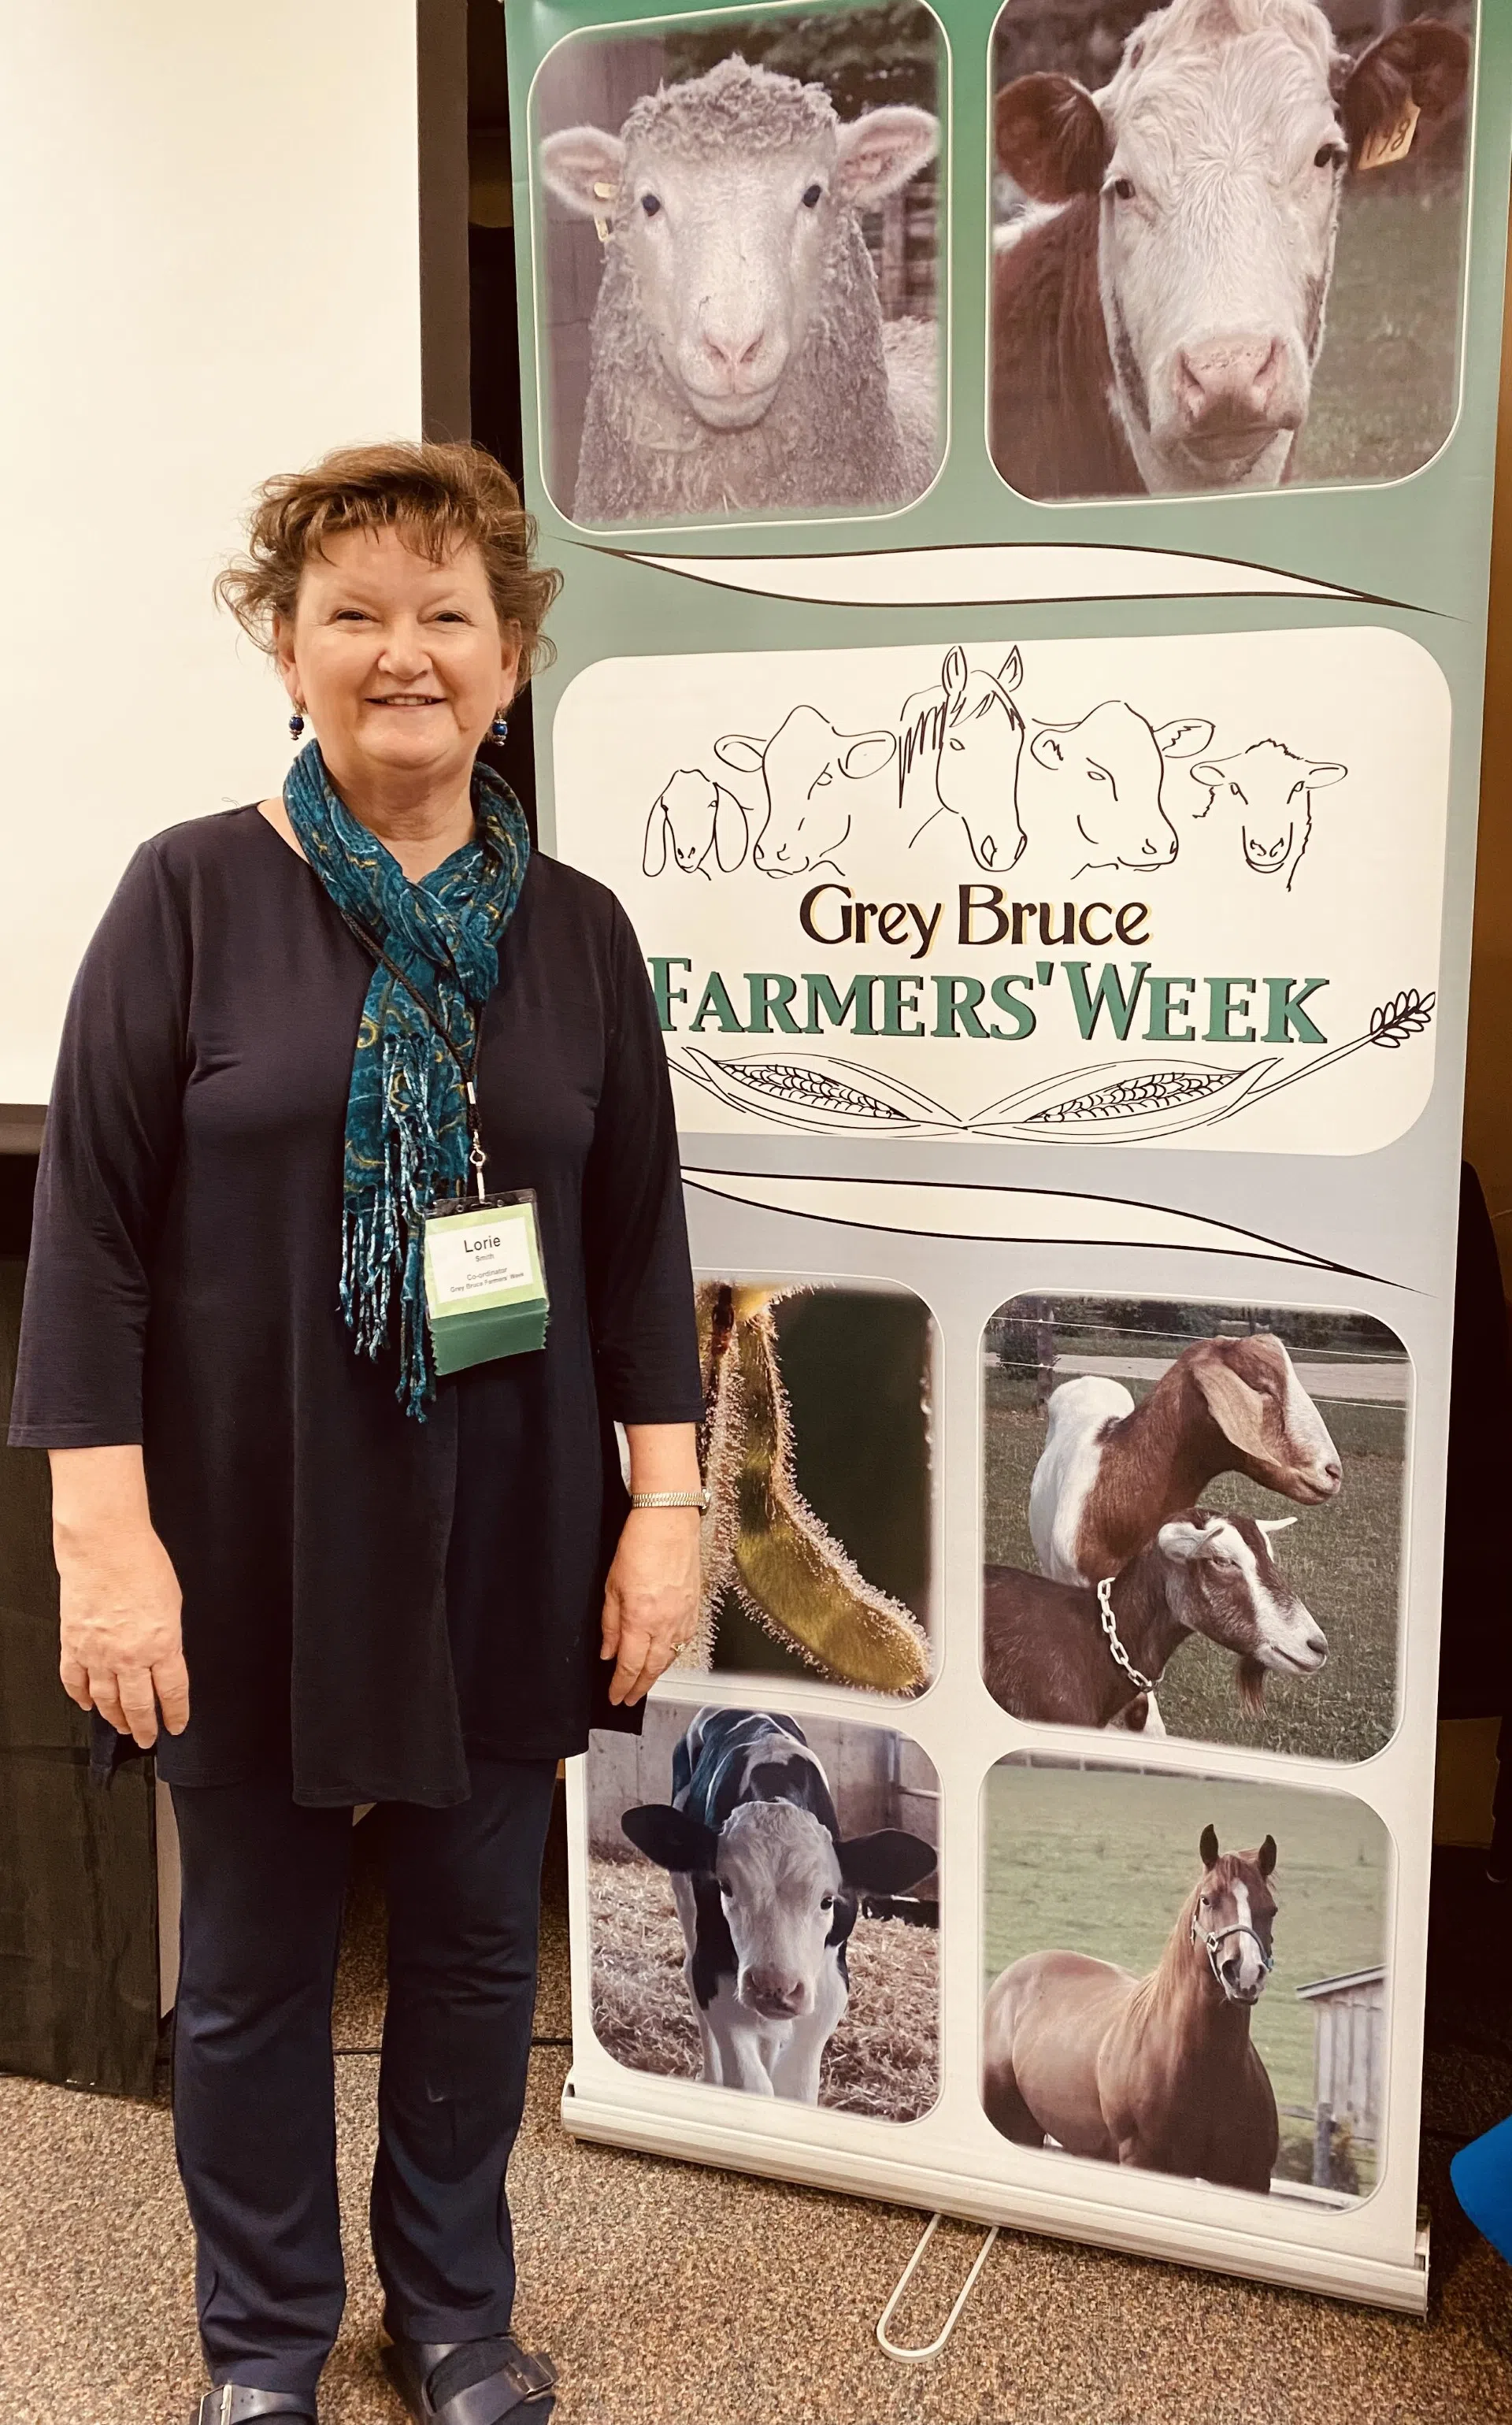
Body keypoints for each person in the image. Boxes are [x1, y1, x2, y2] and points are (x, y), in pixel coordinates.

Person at [8, 441, 706, 2425]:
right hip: (242, 1536)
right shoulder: (189, 895)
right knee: (247, 1974)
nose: (405, 654)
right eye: (354, 615)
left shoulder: (576, 933)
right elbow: (90, 1248)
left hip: (511, 1528)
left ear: (510, 666)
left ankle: (457, 2315)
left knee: (486, 1951)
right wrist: (102, 1547)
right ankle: (262, 2345)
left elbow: (641, 1243)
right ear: (287, 650)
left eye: (449, 616)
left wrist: (666, 1512)